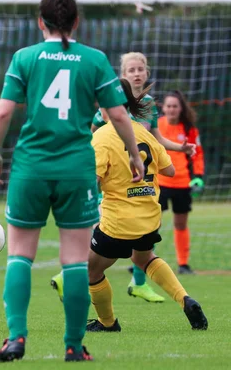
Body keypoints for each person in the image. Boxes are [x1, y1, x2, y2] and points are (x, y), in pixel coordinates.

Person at [0, 0, 144, 363]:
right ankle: (74, 345)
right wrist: (135, 154)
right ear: (76, 21)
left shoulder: (25, 57)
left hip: (31, 167)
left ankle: (16, 339)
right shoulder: (93, 60)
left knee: (20, 256)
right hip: (76, 168)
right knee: (74, 260)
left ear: (40, 22)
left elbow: (4, 112)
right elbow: (120, 114)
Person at [51, 52, 196, 303]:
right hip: (111, 182)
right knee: (104, 231)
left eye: (140, 69)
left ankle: (133, 284)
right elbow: (93, 140)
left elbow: (157, 141)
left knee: (134, 237)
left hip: (141, 183)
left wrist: (180, 148)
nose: (136, 74)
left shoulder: (148, 106)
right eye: (131, 70)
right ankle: (71, 274)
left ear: (147, 73)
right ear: (122, 76)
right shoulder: (107, 110)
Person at [85, 79, 208, 333]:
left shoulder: (103, 136)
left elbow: (93, 183)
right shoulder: (142, 131)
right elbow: (171, 170)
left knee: (92, 271)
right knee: (145, 257)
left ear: (104, 104)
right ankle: (186, 300)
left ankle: (108, 323)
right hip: (149, 217)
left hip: (118, 223)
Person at [158, 90, 204, 274]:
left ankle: (183, 264)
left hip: (182, 183)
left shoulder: (189, 129)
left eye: (174, 106)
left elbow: (197, 154)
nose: (171, 109)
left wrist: (198, 176)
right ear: (163, 108)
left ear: (180, 108)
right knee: (152, 223)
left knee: (180, 224)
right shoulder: (156, 125)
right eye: (168, 106)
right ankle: (142, 260)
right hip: (159, 181)